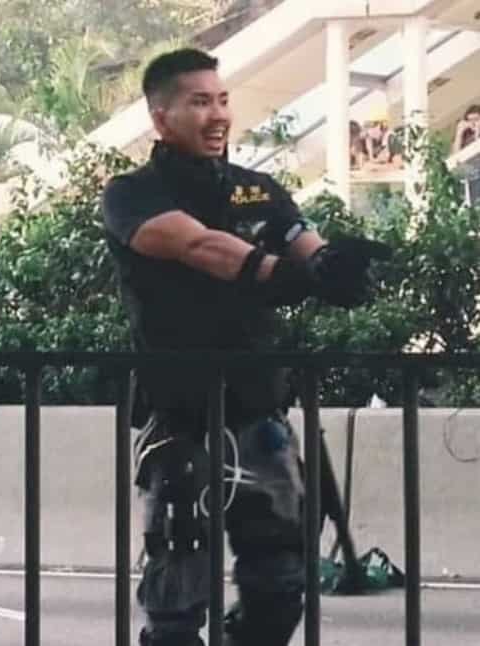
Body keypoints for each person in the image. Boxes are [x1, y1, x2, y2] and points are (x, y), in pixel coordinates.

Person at [102, 48, 388, 646]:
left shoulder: (259, 191)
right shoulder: (133, 194)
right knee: (177, 600)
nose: (217, 115)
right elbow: (199, 247)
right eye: (199, 101)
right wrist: (286, 275)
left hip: (259, 412)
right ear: (161, 118)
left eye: (223, 99)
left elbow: (305, 244)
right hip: (177, 416)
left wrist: (336, 267)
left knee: (283, 584)